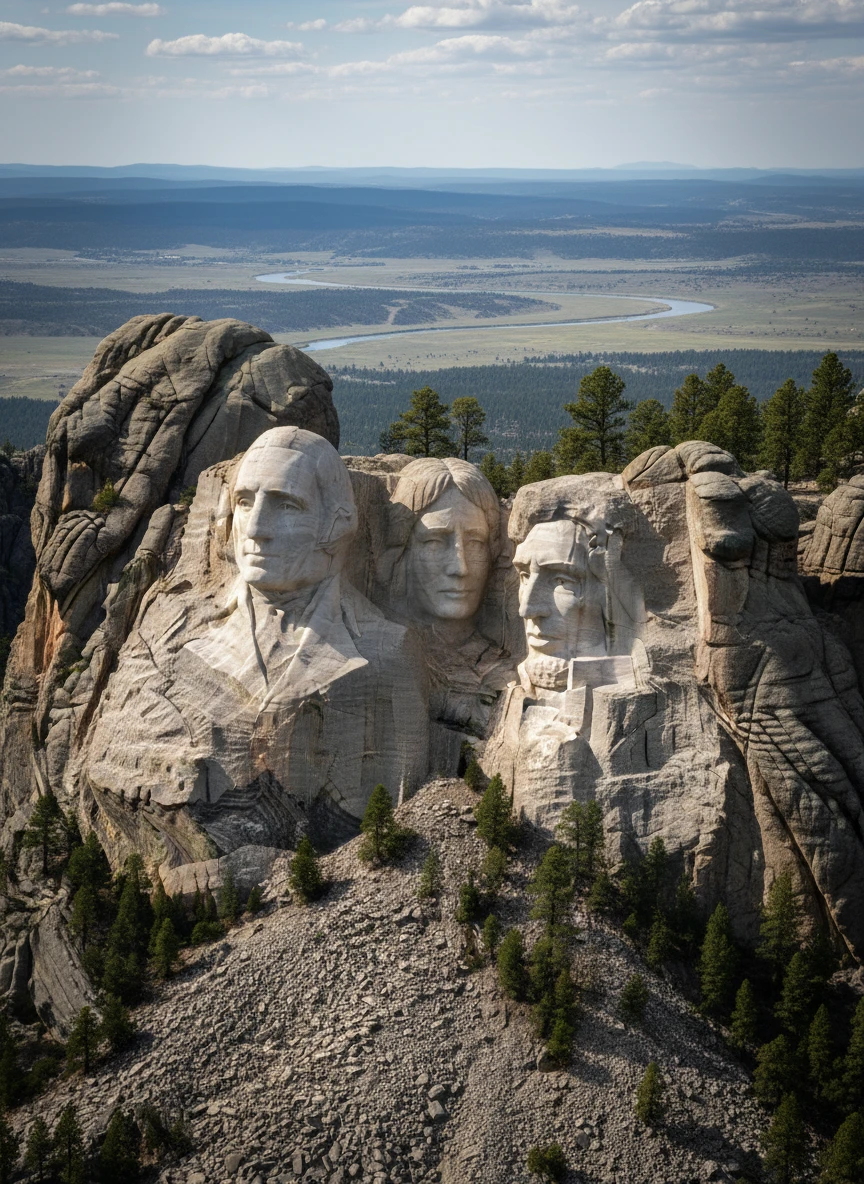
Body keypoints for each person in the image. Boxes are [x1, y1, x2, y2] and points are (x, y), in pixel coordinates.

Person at [86, 427, 428, 855]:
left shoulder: (387, 650)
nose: (258, 529)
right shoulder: (177, 633)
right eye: (245, 503)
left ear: (336, 525)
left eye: (287, 505)